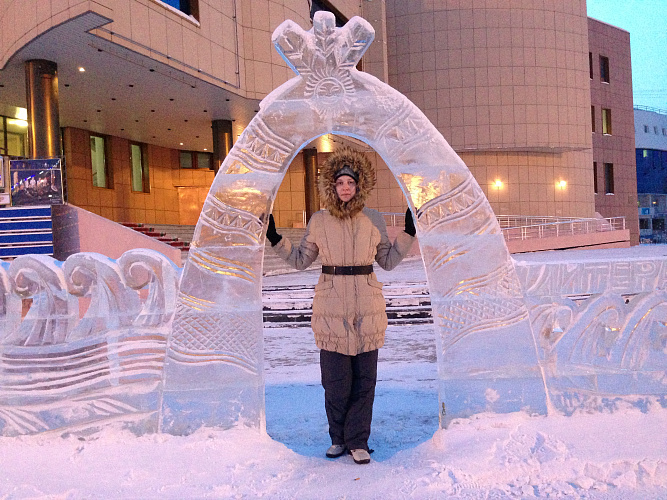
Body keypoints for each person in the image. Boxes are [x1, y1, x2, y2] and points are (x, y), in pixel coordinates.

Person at [266, 147, 416, 465]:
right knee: (335, 382)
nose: (345, 188)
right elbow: (300, 259)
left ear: (359, 186)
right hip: (330, 309)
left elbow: (387, 261)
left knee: (364, 380)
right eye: (340, 182)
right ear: (332, 187)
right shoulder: (319, 220)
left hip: (367, 306)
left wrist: (408, 234)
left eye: (350, 182)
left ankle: (358, 441)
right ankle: (338, 438)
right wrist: (276, 238)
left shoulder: (373, 218)